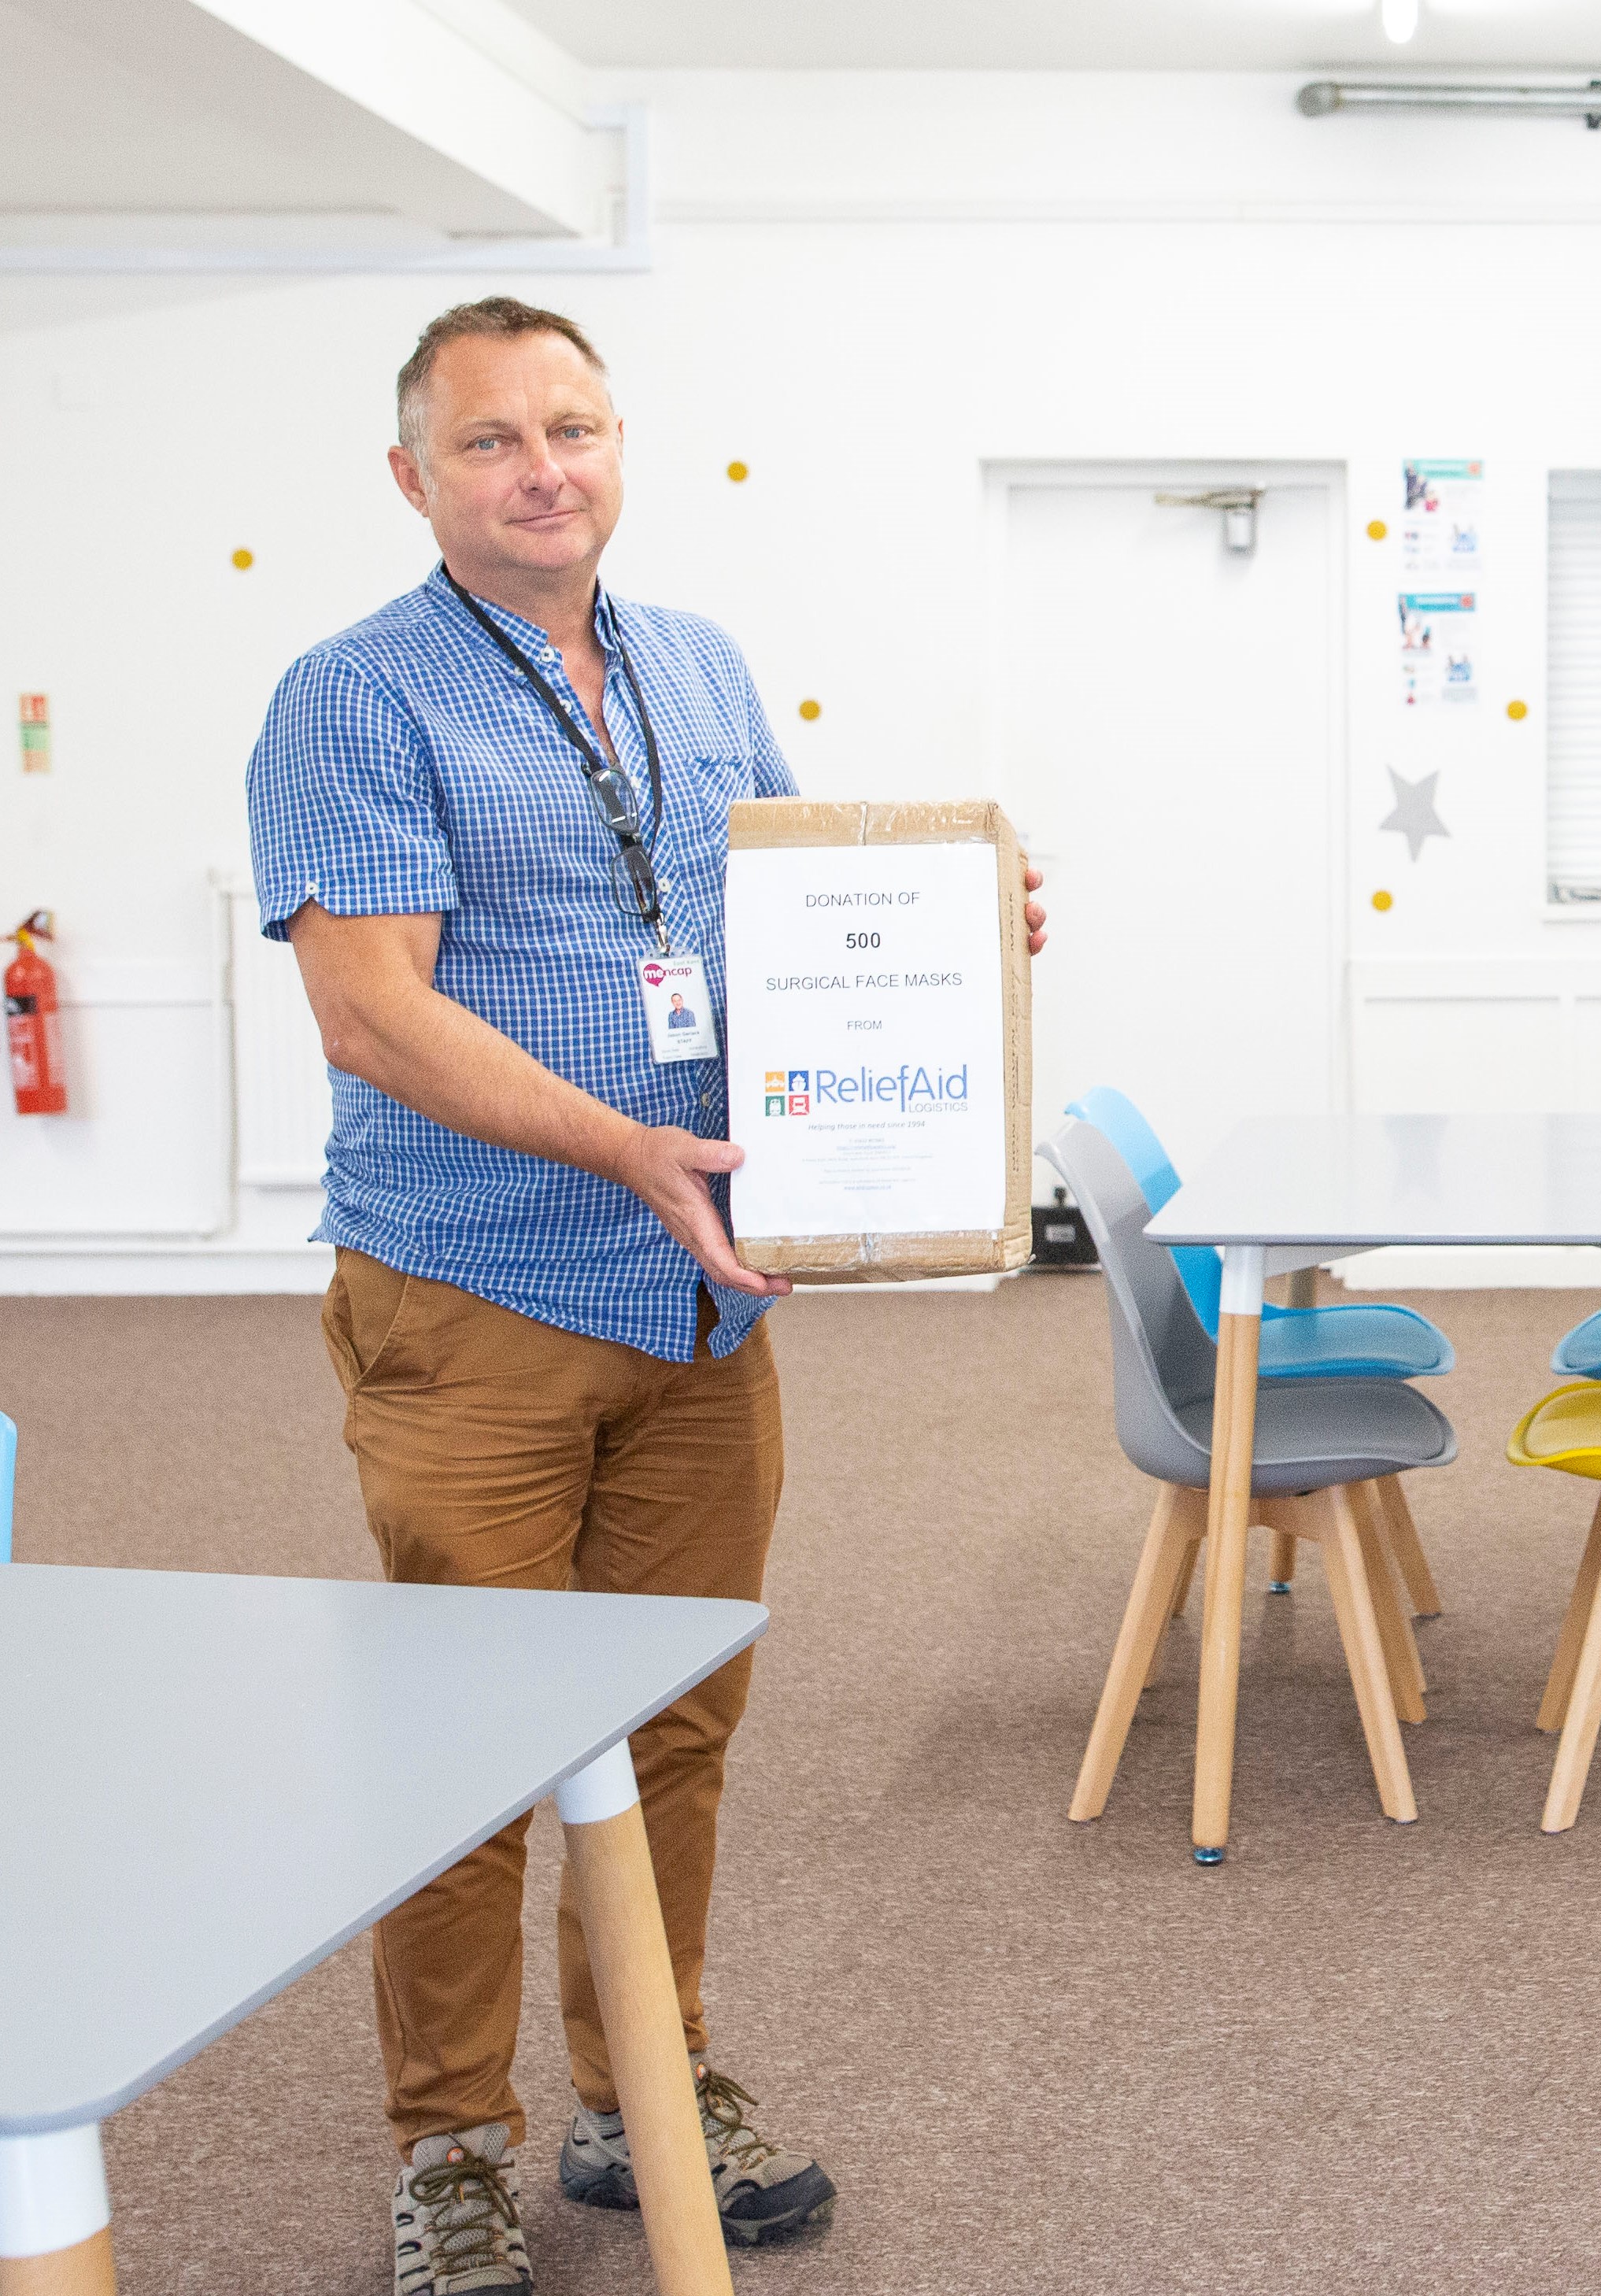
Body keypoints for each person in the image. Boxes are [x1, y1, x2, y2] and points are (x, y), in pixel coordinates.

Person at [247, 296, 1047, 2296]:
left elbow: (780, 913)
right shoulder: (357, 697)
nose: (545, 470)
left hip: (705, 1308)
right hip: (478, 1296)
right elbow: (369, 1010)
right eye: (495, 440)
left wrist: (951, 931)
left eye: (575, 429)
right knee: (466, 1742)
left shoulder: (696, 666)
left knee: (674, 1723)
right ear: (415, 476)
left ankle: (643, 2083)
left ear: (620, 445)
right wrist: (622, 1146)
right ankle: (449, 2142)